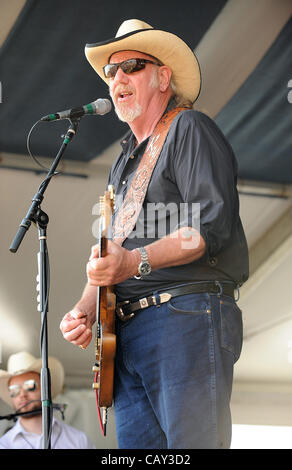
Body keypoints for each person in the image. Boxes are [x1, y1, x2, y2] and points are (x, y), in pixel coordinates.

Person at [59, 19, 249, 449]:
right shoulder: (123, 161)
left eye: (132, 66)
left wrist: (136, 262)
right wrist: (86, 307)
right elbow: (113, 251)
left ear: (164, 77)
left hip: (185, 316)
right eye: (111, 72)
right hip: (128, 330)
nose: (117, 78)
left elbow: (209, 226)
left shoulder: (190, 129)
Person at [0, 351, 95, 449]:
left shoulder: (78, 440)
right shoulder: (4, 445)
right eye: (14, 390)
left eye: (30, 386)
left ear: (46, 389)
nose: (22, 395)